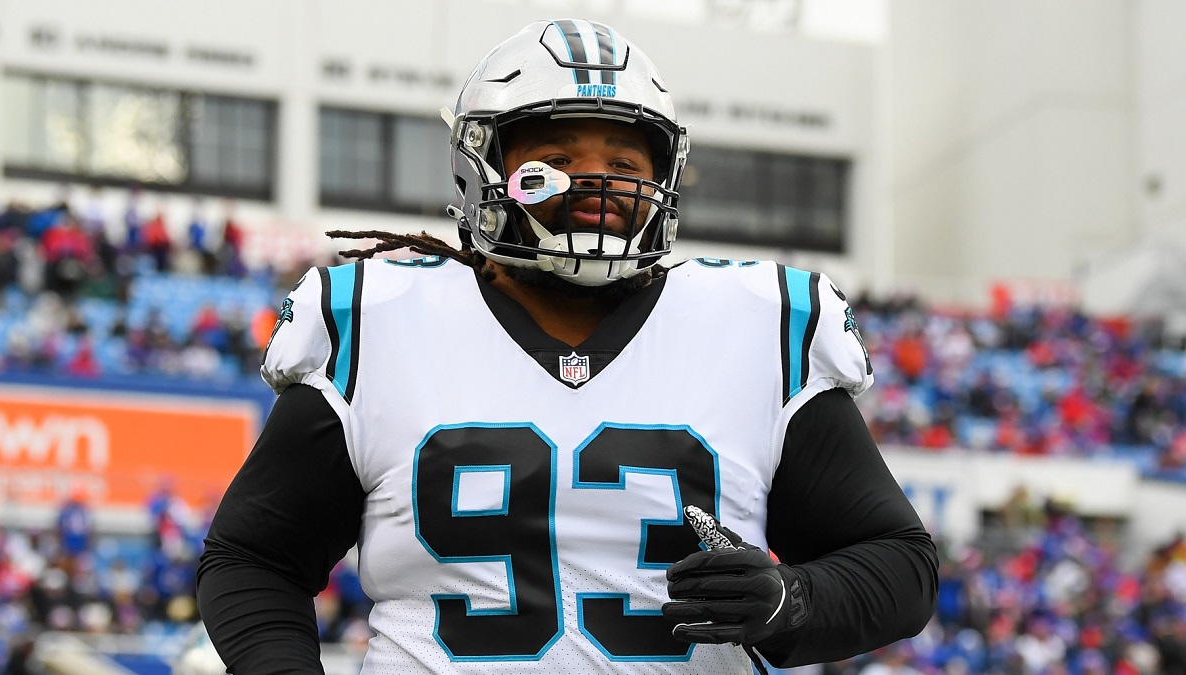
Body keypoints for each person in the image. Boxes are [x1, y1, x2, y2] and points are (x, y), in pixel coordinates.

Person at [196, 19, 938, 675]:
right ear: (483, 166)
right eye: (558, 154)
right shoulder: (377, 319)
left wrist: (794, 599)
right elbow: (255, 559)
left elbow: (900, 563)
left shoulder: (759, 325)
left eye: (625, 162)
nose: (599, 183)